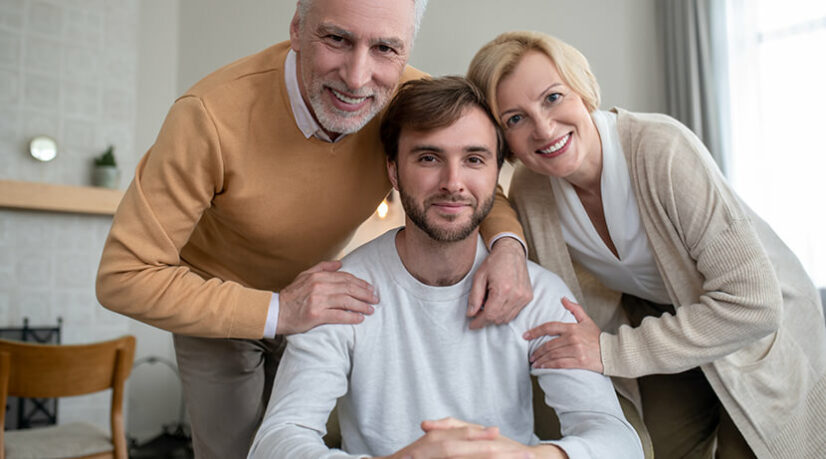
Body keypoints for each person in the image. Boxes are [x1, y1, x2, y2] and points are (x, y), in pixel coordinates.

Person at [94, 1, 534, 457]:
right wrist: (279, 310)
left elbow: (472, 180)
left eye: (385, 48)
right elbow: (123, 276)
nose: (357, 77)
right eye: (337, 39)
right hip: (217, 301)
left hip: (319, 296)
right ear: (296, 30)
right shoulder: (207, 116)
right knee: (235, 452)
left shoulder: (405, 99)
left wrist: (508, 247)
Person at [466, 30, 826, 459]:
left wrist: (609, 351)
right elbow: (480, 188)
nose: (543, 128)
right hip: (656, 319)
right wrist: (507, 247)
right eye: (515, 119)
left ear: (582, 89)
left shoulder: (662, 150)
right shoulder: (531, 188)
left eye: (553, 97)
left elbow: (756, 305)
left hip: (756, 325)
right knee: (654, 449)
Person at [248, 76, 643, 459]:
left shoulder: (534, 292)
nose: (453, 183)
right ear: (393, 170)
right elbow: (276, 441)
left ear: (495, 172)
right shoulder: (341, 293)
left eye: (474, 159)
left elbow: (619, 442)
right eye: (429, 158)